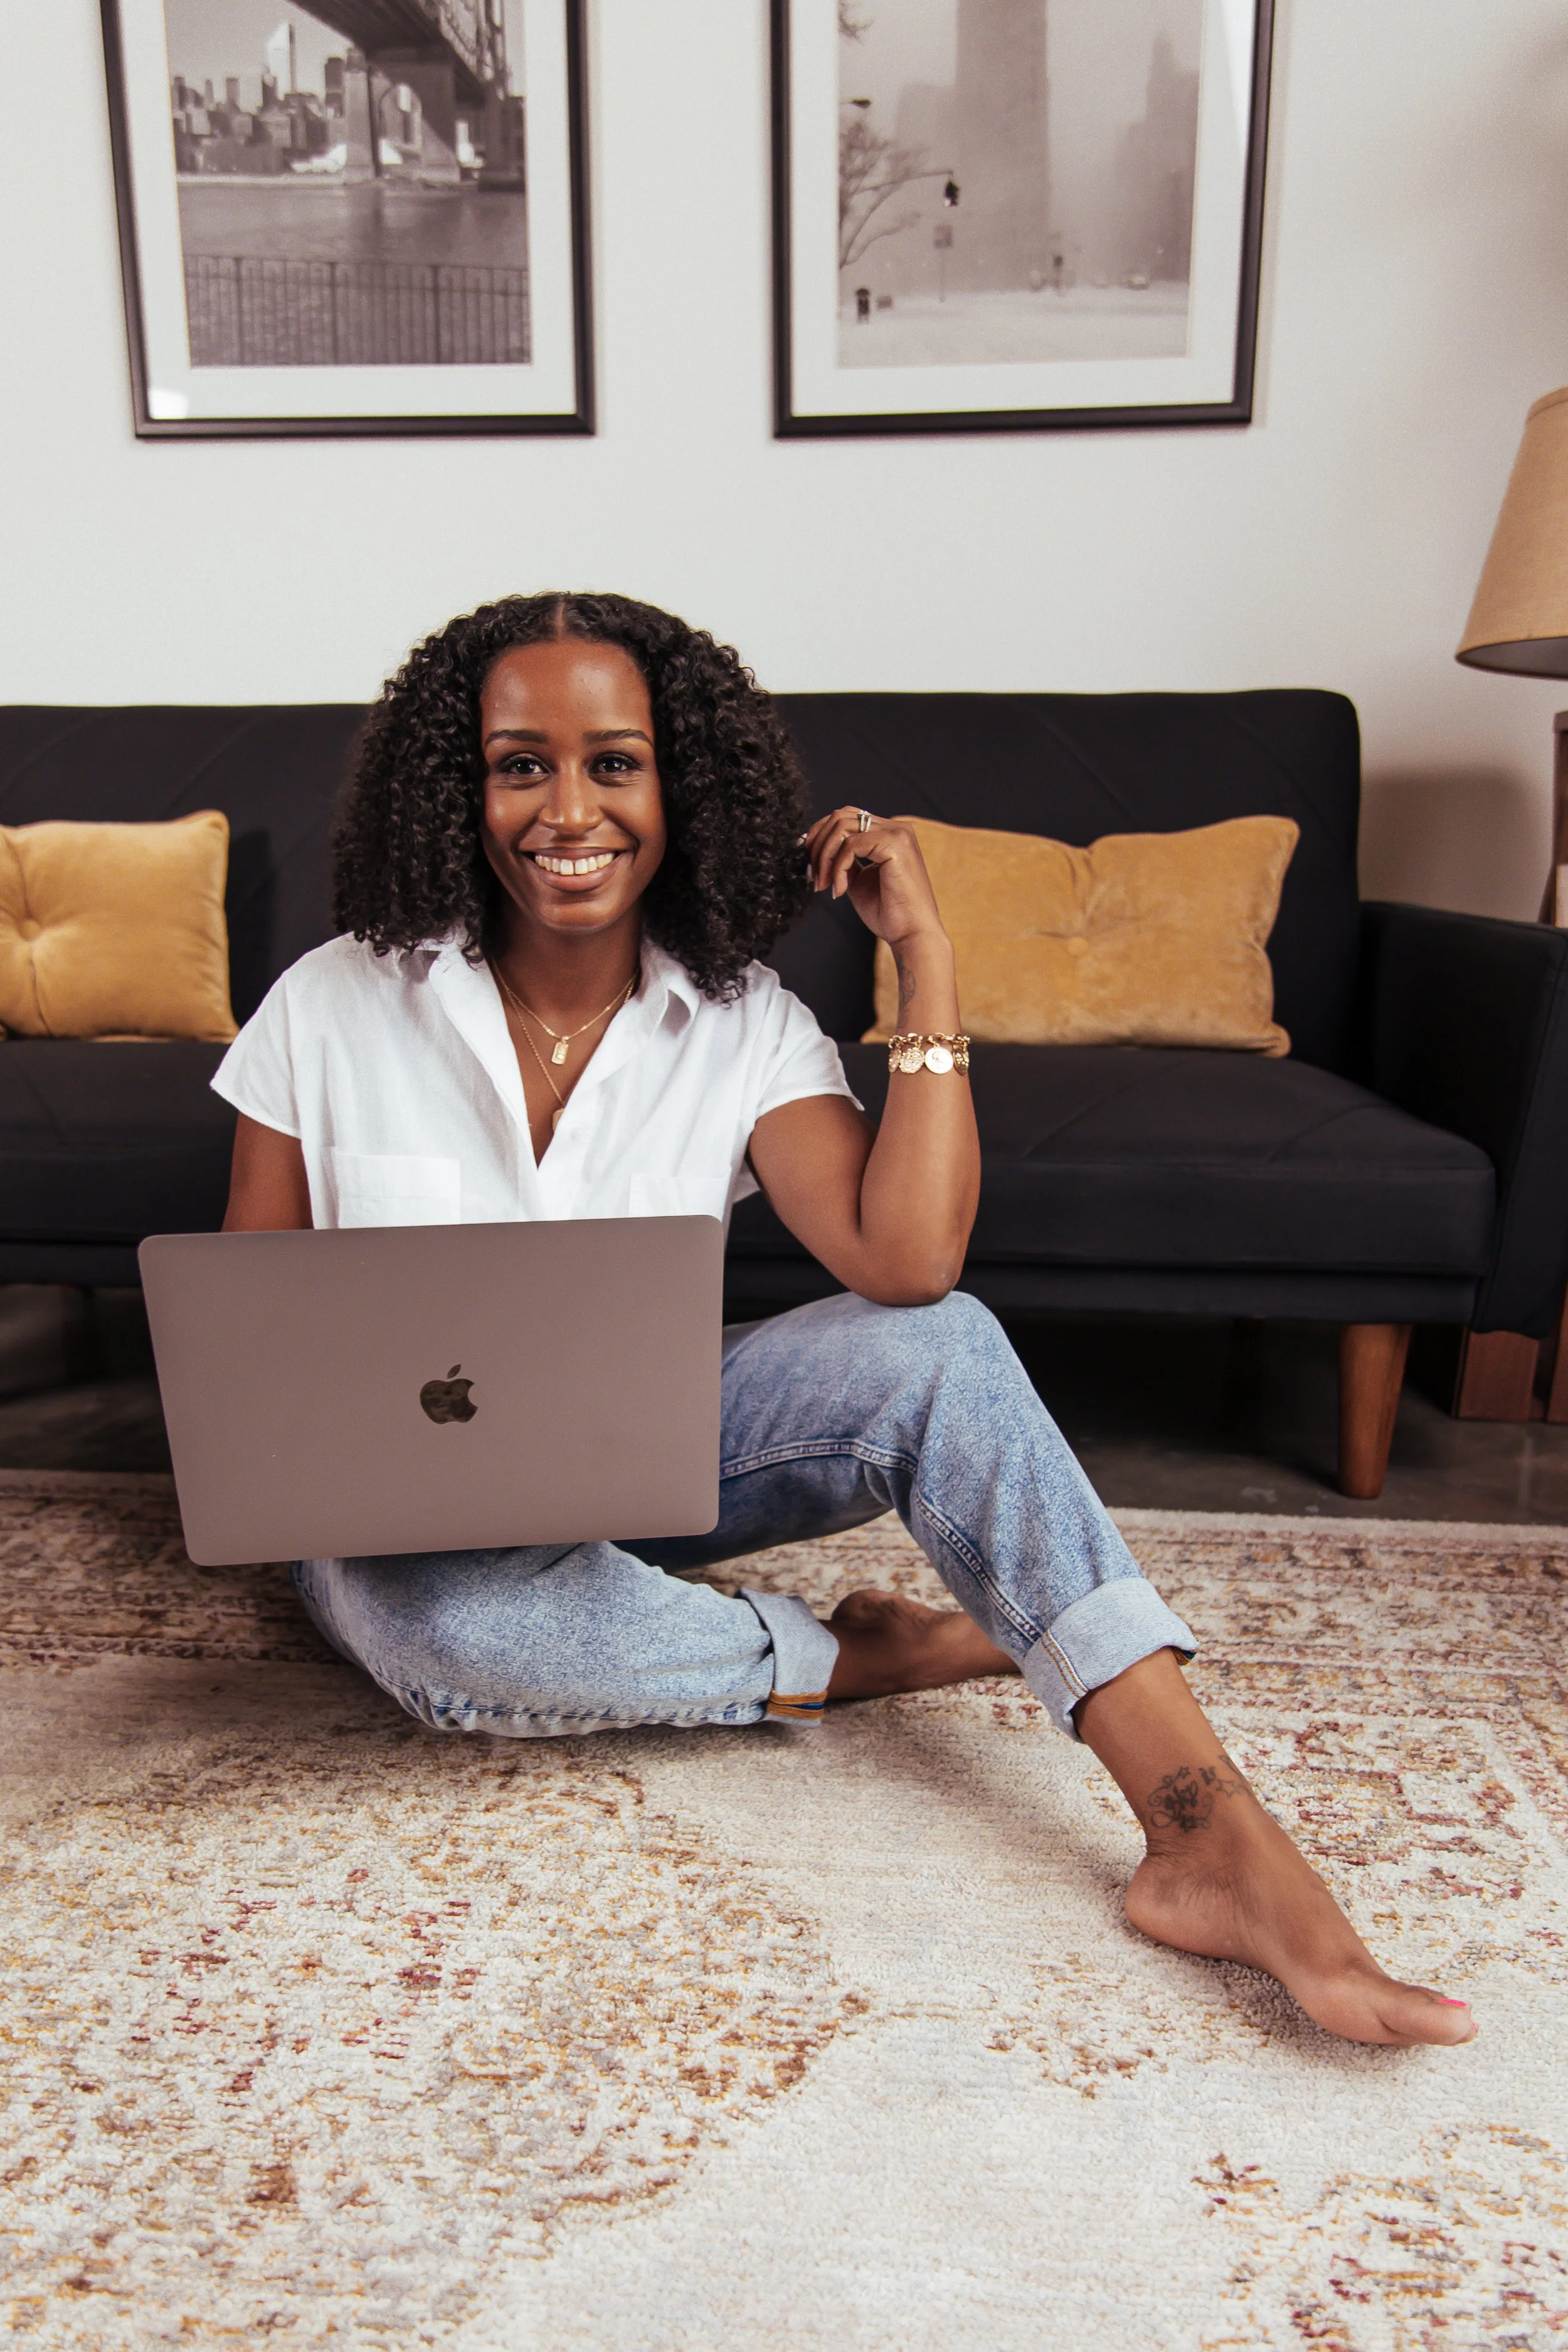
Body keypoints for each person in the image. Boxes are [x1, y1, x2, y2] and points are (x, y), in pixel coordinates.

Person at [216, 591, 1476, 2051]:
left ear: (680, 786)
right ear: (458, 787)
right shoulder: (330, 1003)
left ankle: (1209, 1838)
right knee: (453, 1636)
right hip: (404, 1526)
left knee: (937, 1354)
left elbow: (908, 1262)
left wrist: (922, 958)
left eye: (615, 763)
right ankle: (857, 1654)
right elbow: (260, 1333)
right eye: (520, 765)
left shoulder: (742, 1020)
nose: (570, 808)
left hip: (639, 1455)